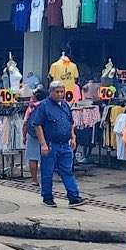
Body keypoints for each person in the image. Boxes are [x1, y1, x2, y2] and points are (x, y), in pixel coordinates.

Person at [30, 80, 86, 208]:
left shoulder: (65, 105)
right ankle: (47, 197)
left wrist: (73, 136)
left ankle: (73, 197)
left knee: (67, 171)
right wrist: (43, 144)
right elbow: (37, 125)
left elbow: (70, 122)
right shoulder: (43, 106)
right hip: (50, 144)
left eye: (62, 92)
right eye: (57, 92)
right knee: (47, 172)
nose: (60, 94)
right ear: (51, 92)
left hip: (65, 145)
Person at [23, 88, 47, 187]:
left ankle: (34, 180)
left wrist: (24, 135)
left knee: (33, 158)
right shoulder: (46, 106)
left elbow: (25, 123)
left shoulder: (31, 107)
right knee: (45, 158)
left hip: (32, 134)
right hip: (45, 134)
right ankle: (45, 180)